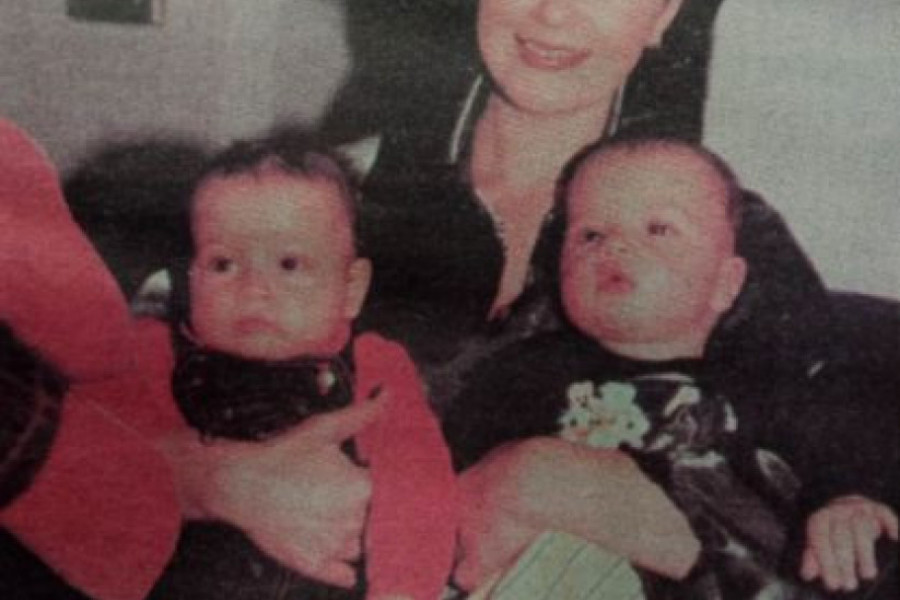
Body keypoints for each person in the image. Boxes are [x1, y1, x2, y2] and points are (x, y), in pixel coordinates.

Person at [443, 138, 898, 598]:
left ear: (726, 283)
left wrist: (848, 500)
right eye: (590, 235)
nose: (615, 246)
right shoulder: (519, 373)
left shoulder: (769, 379)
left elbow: (847, 445)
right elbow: (454, 490)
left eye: (658, 229)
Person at [147, 138, 457, 600]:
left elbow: (417, 484)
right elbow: (105, 467)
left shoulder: (374, 365)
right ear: (187, 278)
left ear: (351, 289)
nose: (255, 288)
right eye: (222, 264)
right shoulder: (151, 352)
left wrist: (401, 592)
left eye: (289, 264)